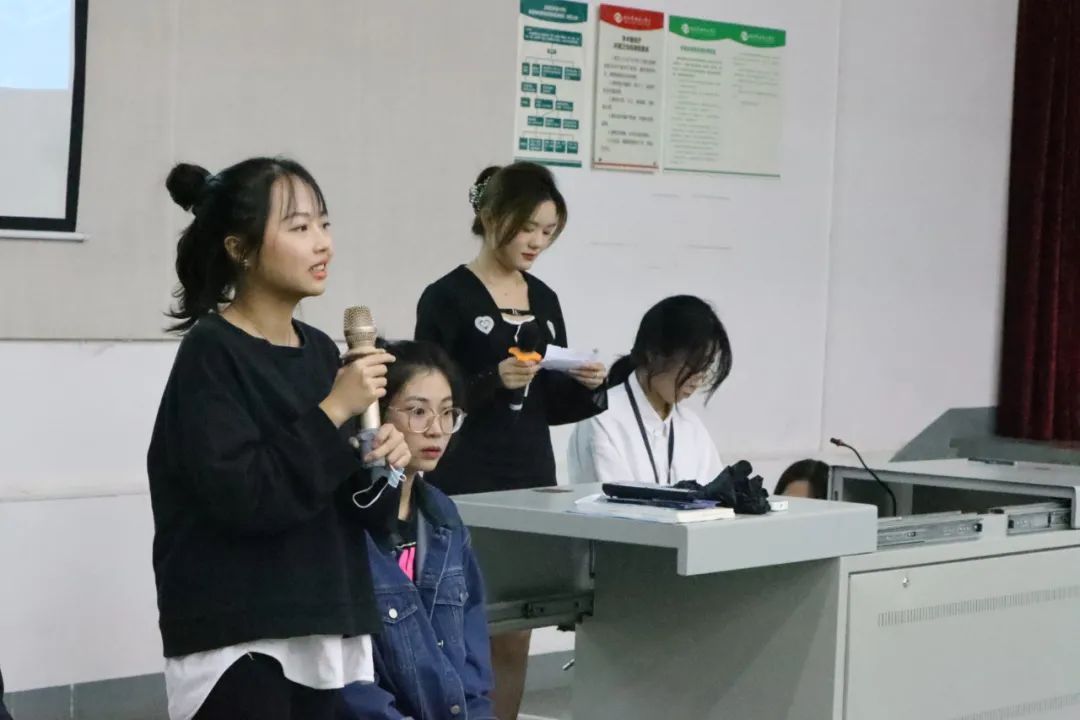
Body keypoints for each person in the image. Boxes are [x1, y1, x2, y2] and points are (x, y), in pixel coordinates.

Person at [147, 157, 411, 720]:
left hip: (320, 619)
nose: (322, 243)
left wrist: (384, 461)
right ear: (240, 249)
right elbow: (244, 495)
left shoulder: (321, 353)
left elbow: (358, 510)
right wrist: (334, 409)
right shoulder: (211, 352)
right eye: (299, 227)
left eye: (324, 224)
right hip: (239, 632)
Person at [415, 161, 607, 719]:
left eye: (548, 231)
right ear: (492, 216)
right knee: (456, 621)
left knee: (517, 625)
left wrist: (589, 385)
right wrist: (491, 380)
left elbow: (551, 406)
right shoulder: (446, 297)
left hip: (531, 475)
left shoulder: (544, 300)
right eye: (528, 228)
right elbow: (427, 397)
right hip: (465, 477)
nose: (537, 242)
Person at [342, 341, 495, 720]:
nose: (436, 430)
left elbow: (472, 654)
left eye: (447, 413)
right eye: (417, 412)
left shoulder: (442, 514)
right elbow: (350, 682)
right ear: (373, 417)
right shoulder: (344, 519)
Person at [568, 295, 733, 487]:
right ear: (653, 354)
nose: (698, 379)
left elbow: (716, 497)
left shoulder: (691, 426)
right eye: (692, 364)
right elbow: (612, 501)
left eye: (706, 366)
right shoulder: (601, 417)